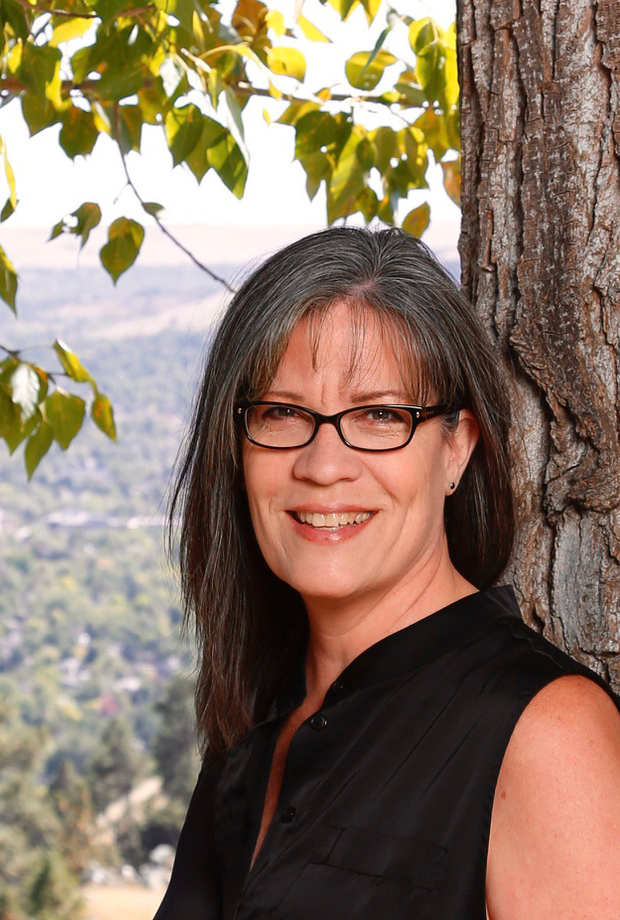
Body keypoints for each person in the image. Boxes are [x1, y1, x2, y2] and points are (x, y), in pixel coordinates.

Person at [154, 227, 620, 920]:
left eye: (378, 415)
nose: (323, 464)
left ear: (457, 448)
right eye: (283, 413)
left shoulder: (545, 736)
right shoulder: (256, 718)